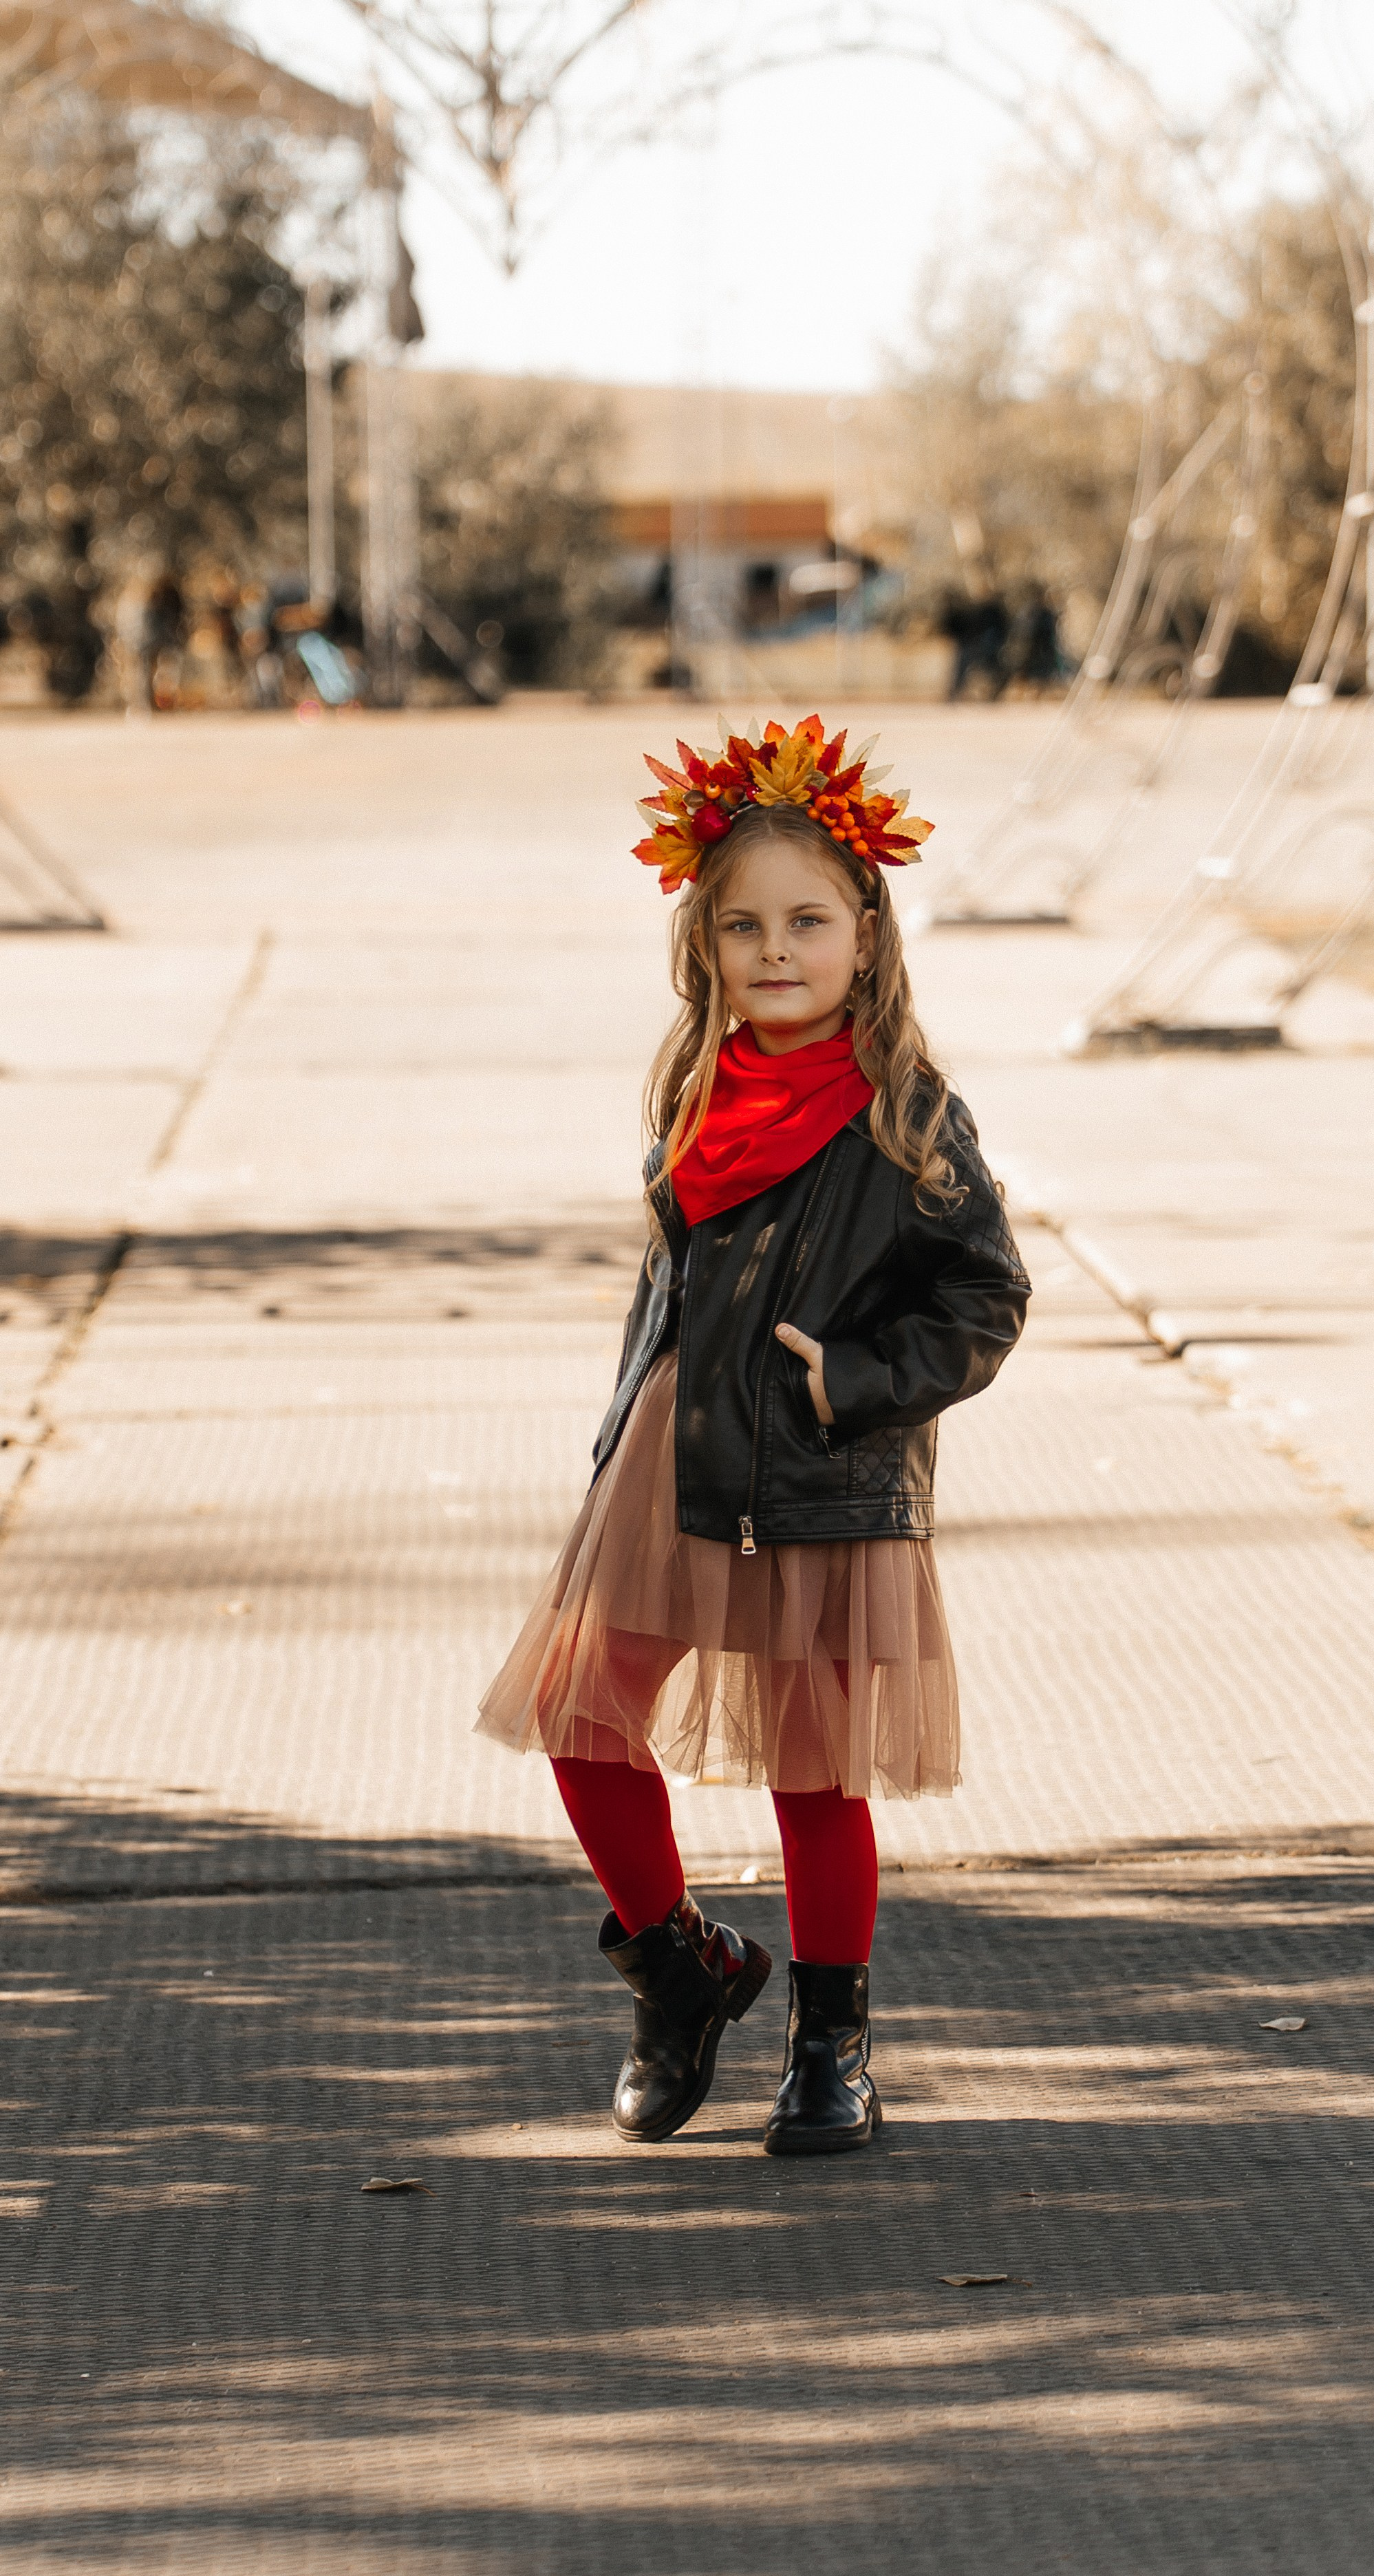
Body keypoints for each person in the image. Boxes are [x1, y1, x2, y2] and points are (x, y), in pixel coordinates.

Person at [477, 716, 1029, 2155]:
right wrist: (621, 1436)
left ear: (867, 933)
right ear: (704, 945)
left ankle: (833, 2044)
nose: (776, 949)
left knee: (814, 1765)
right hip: (675, 1450)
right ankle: (679, 1966)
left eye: (807, 920)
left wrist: (856, 1379)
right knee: (581, 1712)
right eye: (743, 925)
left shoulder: (910, 1116)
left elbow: (988, 1295)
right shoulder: (695, 1090)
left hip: (830, 1464)